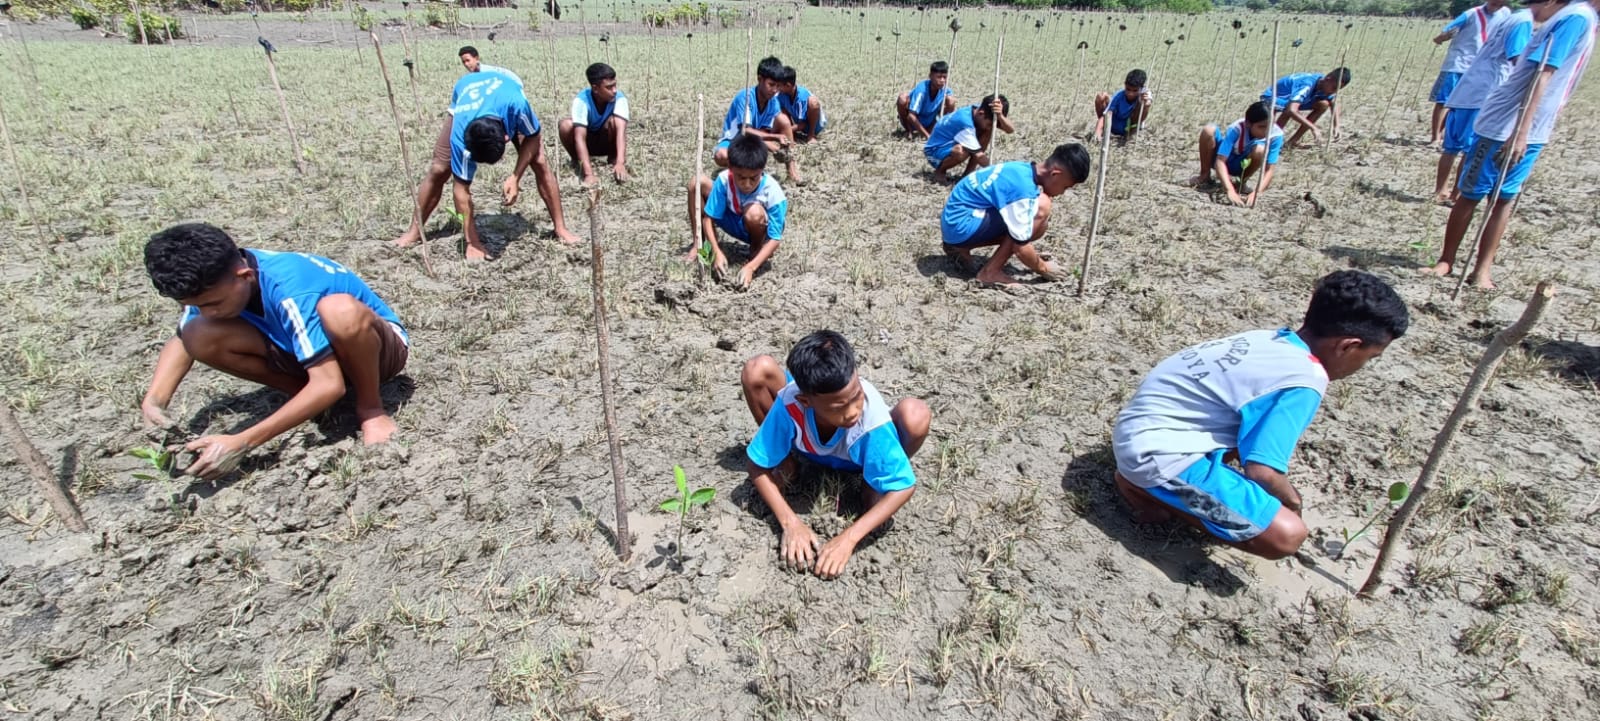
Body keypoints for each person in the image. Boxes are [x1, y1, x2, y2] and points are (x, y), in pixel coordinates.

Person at [1111, 270, 1409, 560]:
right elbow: (1262, 472)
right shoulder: (1306, 379)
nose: (1364, 366)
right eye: (1371, 358)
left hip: (1139, 427)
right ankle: (1143, 487)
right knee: (1287, 535)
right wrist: (1293, 501)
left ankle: (1156, 485)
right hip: (1155, 456)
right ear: (1348, 346)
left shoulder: (1272, 340)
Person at [139, 224, 412, 480]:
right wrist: (154, 401)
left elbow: (331, 384)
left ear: (244, 276)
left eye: (214, 304)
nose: (208, 312)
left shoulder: (290, 285)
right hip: (303, 353)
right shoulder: (212, 282)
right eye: (197, 305)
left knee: (340, 311)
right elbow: (181, 341)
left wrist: (243, 441)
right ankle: (309, 399)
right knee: (197, 334)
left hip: (373, 354)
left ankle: (370, 408)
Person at [1423, 0, 1595, 290]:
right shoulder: (1570, 18)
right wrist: (1518, 131)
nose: (1532, 11)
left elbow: (1553, 75)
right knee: (1471, 193)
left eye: (1536, 5)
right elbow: (1542, 72)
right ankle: (1447, 260)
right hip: (1502, 125)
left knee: (1504, 198)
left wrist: (1530, 128)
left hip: (1531, 128)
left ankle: (1482, 270)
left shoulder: (1579, 18)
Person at [741, 330, 930, 579]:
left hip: (855, 459)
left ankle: (871, 481)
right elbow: (756, 467)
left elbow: (904, 488)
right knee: (757, 368)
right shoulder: (790, 404)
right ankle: (786, 464)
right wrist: (790, 523)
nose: (852, 412)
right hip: (806, 448)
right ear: (805, 401)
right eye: (839, 407)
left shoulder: (870, 423)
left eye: (857, 396)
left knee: (916, 415)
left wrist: (847, 539)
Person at [392, 65, 580, 259]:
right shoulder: (459, 134)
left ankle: (561, 228)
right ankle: (414, 232)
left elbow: (533, 137)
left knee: (539, 161)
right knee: (439, 168)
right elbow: (460, 189)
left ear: (506, 136)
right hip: (466, 93)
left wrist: (516, 176)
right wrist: (473, 242)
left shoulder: (516, 105)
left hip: (505, 90)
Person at [940, 143, 1090, 285]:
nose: (1063, 193)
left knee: (1035, 226)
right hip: (960, 225)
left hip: (956, 223)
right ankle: (990, 272)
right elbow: (1021, 248)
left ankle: (960, 248)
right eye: (1065, 187)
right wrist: (1043, 268)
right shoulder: (1022, 189)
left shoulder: (1022, 169)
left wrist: (1033, 257)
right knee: (1041, 207)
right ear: (1055, 174)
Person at [1433, 5, 1533, 203]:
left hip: (1478, 88)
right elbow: (1517, 59)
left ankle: (1455, 193)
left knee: (1463, 147)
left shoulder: (1508, 16)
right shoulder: (1522, 22)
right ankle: (1449, 193)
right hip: (1480, 91)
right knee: (1463, 147)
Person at [686, 133, 789, 288]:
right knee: (696, 182)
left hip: (756, 227)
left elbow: (775, 238)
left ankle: (756, 249)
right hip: (732, 218)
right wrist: (717, 252)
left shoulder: (773, 191)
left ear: (762, 170)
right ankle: (699, 244)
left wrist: (750, 267)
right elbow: (708, 218)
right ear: (731, 169)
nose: (747, 184)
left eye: (753, 178)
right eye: (740, 177)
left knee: (754, 213)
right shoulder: (723, 180)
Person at [1429, 0, 1513, 145]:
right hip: (1457, 64)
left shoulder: (1506, 14)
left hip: (1480, 67)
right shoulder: (1471, 14)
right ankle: (1435, 138)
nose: (1496, 4)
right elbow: (1441, 36)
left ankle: (1450, 136)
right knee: (1444, 101)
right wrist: (1444, 37)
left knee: (1464, 103)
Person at [715, 56, 800, 182]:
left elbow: (763, 132)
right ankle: (739, 176)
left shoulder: (773, 102)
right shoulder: (745, 97)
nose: (774, 90)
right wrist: (775, 138)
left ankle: (792, 169)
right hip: (734, 141)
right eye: (771, 85)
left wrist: (777, 150)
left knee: (784, 120)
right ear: (760, 79)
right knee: (721, 155)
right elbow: (745, 131)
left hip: (752, 142)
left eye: (777, 86)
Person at [1192, 101, 1285, 208]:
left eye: (1270, 126)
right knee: (1208, 130)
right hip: (1224, 160)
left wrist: (1256, 193)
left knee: (1260, 150)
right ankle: (1205, 175)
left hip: (1241, 166)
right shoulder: (1237, 128)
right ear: (1248, 124)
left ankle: (1240, 184)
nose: (1267, 131)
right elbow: (1220, 161)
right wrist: (1229, 190)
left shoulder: (1276, 135)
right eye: (1262, 127)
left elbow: (1270, 170)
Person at [558, 62, 632, 185]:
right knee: (565, 125)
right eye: (609, 87)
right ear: (595, 89)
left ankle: (613, 160)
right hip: (588, 143)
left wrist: (621, 163)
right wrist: (588, 174)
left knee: (615, 122)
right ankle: (578, 162)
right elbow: (579, 138)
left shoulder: (620, 98)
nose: (614, 91)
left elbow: (621, 133)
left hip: (605, 142)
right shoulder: (581, 100)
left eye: (615, 85)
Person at [923, 94, 1014, 183]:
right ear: (981, 113)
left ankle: (967, 175)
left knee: (986, 131)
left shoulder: (980, 110)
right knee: (961, 151)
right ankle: (940, 171)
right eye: (989, 124)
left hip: (952, 144)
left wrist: (1000, 116)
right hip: (935, 151)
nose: (990, 127)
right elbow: (979, 156)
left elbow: (1010, 130)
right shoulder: (965, 123)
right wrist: (997, 174)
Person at [1261, 68, 1350, 148]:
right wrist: (1313, 128)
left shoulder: (1323, 84)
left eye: (1338, 89)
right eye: (1334, 88)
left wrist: (1336, 126)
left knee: (1323, 104)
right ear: (1328, 79)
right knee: (1289, 109)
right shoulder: (1307, 84)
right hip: (1271, 98)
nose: (1334, 92)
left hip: (1290, 102)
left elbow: (1333, 102)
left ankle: (1292, 141)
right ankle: (1271, 139)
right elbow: (1291, 109)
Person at [896, 61, 957, 140]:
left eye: (944, 77)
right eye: (939, 77)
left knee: (951, 100)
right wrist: (927, 136)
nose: (942, 80)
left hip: (930, 122)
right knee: (902, 98)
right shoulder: (922, 90)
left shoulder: (946, 91)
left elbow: (952, 110)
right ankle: (909, 131)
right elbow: (911, 116)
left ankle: (933, 130)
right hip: (912, 122)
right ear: (930, 76)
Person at [1093, 69, 1152, 141]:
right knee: (1101, 96)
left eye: (1135, 90)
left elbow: (1145, 107)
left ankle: (1128, 136)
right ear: (1125, 85)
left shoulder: (1144, 96)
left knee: (1144, 105)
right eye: (1128, 89)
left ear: (1142, 88)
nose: (1131, 93)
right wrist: (1097, 132)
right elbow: (1105, 116)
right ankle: (1105, 130)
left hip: (1130, 127)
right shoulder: (1118, 96)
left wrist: (1146, 105)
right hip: (1114, 124)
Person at [775, 65, 826, 143]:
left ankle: (811, 135)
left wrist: (785, 130)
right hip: (799, 124)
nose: (777, 88)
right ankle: (792, 133)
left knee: (813, 103)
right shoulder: (781, 95)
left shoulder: (801, 97)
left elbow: (803, 124)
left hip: (812, 125)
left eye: (779, 85)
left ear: (788, 85)